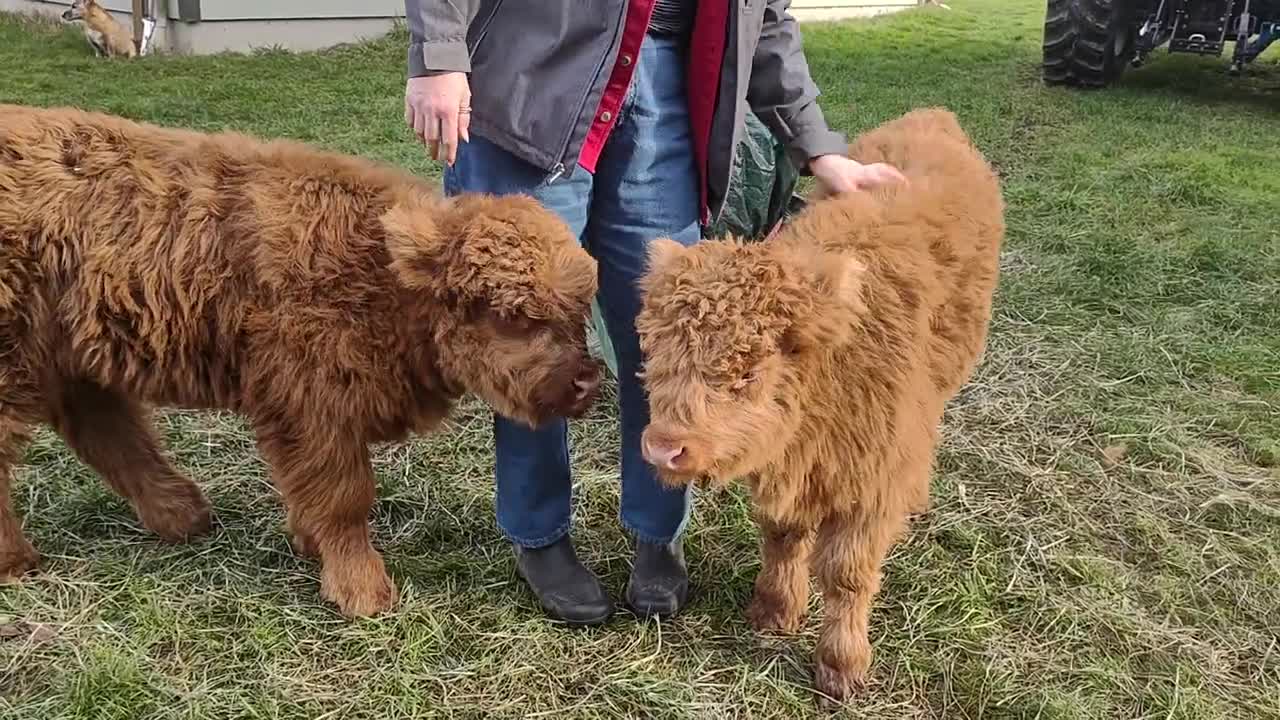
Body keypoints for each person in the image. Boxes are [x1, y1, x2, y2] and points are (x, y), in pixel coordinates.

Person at [402, 0, 905, 626]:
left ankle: (657, 528)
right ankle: (540, 537)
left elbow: (764, 15)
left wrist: (819, 148)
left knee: (674, 334)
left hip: (666, 82)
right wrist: (440, 55)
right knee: (524, 331)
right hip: (534, 73)